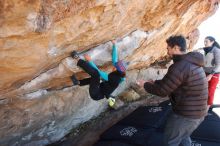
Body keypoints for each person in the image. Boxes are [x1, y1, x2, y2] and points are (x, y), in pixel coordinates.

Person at [136, 35, 208, 146]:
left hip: (186, 115)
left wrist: (145, 85)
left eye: (168, 48)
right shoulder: (192, 63)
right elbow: (173, 82)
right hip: (198, 113)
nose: (167, 51)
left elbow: (162, 91)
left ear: (176, 48)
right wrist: (155, 82)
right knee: (184, 137)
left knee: (170, 142)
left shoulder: (180, 66)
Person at [70, 41, 128, 108]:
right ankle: (78, 82)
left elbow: (98, 72)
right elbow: (115, 59)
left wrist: (89, 61)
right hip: (100, 89)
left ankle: (77, 58)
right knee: (96, 79)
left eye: (115, 67)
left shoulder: (113, 79)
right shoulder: (120, 72)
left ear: (117, 70)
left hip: (96, 94)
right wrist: (114, 44)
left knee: (96, 75)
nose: (114, 66)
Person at [203, 36, 220, 109]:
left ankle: (207, 109)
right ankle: (203, 106)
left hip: (214, 74)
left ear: (212, 42)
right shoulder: (206, 50)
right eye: (204, 41)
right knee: (203, 90)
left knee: (210, 92)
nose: (205, 43)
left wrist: (211, 74)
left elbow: (219, 64)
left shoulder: (216, 50)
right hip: (205, 73)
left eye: (206, 41)